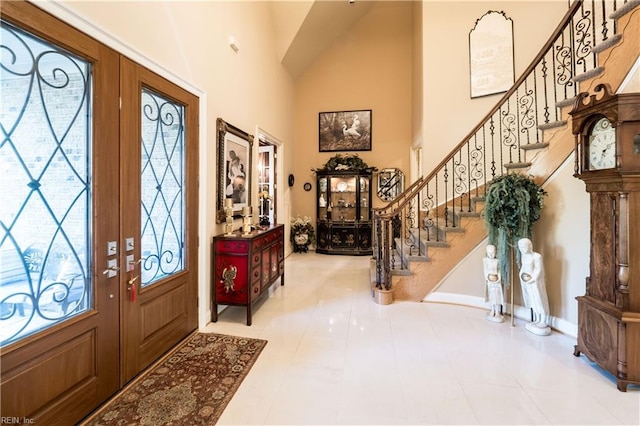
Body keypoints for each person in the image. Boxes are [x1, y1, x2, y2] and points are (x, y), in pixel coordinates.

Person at [518, 238, 551, 335]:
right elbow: (523, 268)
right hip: (527, 282)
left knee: (539, 300)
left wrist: (531, 278)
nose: (522, 249)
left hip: (536, 282)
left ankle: (543, 320)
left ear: (530, 246)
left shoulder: (537, 256)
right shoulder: (523, 256)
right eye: (520, 247)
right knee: (533, 301)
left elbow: (538, 270)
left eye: (523, 246)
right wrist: (522, 276)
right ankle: (537, 318)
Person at [483, 244, 504, 322]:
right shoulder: (485, 260)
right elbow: (485, 270)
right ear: (487, 253)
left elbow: (499, 270)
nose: (491, 254)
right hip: (489, 280)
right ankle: (492, 310)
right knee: (492, 296)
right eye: (489, 253)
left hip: (496, 281)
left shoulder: (497, 261)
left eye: (493, 253)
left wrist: (499, 278)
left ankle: (497, 312)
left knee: (497, 296)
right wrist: (487, 277)